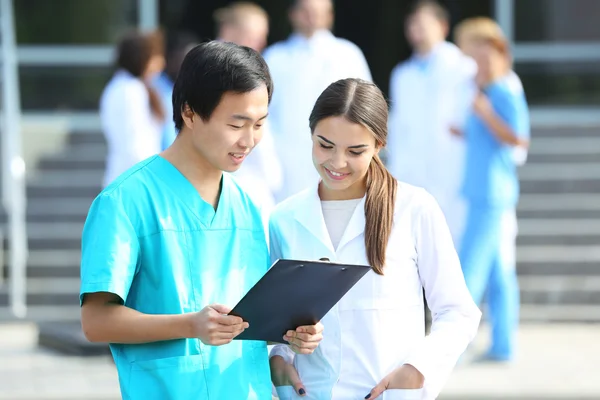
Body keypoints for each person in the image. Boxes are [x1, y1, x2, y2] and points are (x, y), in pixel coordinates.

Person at [80, 41, 323, 400]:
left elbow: (249, 317)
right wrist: (190, 325)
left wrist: (289, 335)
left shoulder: (245, 203)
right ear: (190, 113)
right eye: (236, 124)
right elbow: (95, 321)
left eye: (259, 124)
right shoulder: (125, 201)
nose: (249, 140)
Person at [268, 78, 481, 400]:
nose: (337, 163)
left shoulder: (413, 208)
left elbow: (458, 311)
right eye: (325, 145)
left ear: (379, 145)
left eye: (355, 151)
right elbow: (270, 318)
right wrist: (278, 358)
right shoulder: (285, 219)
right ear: (310, 134)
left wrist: (417, 369)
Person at [453, 17, 530, 363]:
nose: (480, 66)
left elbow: (518, 137)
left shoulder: (504, 91)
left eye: (486, 60)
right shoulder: (483, 90)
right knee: (500, 272)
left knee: (471, 269)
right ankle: (503, 345)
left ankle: (453, 342)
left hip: (492, 194)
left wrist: (484, 114)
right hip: (481, 191)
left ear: (501, 57)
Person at [387, 0, 477, 248]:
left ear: (443, 26)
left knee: (453, 240)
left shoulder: (463, 67)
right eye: (412, 24)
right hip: (413, 168)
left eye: (423, 24)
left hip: (452, 166)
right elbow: (398, 125)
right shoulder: (402, 73)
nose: (416, 30)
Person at [263, 0, 372, 202]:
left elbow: (366, 108)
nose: (312, 17)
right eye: (306, 11)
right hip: (286, 157)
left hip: (339, 154)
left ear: (330, 16)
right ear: (293, 14)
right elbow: (264, 111)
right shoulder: (275, 57)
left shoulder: (348, 54)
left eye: (319, 12)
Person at [214, 2, 283, 218]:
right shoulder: (218, 72)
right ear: (229, 32)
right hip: (232, 184)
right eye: (253, 36)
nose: (261, 44)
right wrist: (274, 179)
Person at [100, 30, 166, 187]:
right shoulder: (129, 90)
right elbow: (134, 144)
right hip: (132, 180)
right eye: (155, 56)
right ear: (142, 58)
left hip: (133, 177)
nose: (161, 62)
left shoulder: (130, 87)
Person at [153, 31, 199, 150]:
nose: (190, 68)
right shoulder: (152, 88)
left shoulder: (194, 90)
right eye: (185, 60)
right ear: (171, 58)